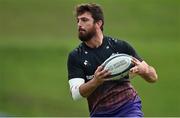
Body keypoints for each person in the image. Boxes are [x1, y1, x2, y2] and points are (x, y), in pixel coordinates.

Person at [67, 3, 158, 117]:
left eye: (84, 20)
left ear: (98, 23)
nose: (79, 24)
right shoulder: (76, 56)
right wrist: (95, 81)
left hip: (128, 107)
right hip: (100, 113)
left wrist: (144, 71)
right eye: (78, 21)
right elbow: (76, 94)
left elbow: (153, 77)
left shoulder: (120, 46)